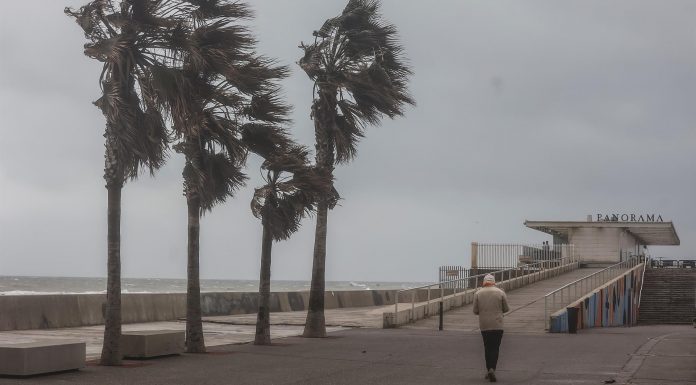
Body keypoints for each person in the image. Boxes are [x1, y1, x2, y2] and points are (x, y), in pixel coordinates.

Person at [473, 274, 509, 382]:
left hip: (484, 325)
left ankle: (489, 369)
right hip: (498, 325)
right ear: (494, 282)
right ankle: (493, 369)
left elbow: (475, 311)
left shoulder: (478, 293)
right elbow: (506, 308)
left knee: (487, 347)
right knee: (495, 348)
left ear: (484, 282)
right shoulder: (500, 292)